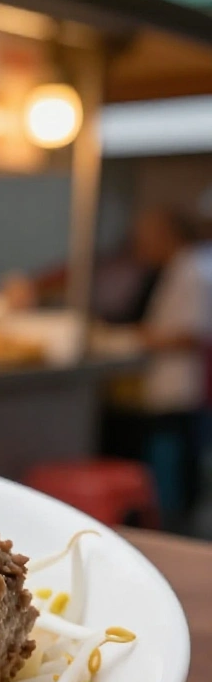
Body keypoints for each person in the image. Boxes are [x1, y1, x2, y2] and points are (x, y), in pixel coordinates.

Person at [101, 207, 209, 523]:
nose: (142, 244)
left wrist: (136, 338)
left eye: (147, 236)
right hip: (169, 384)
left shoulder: (192, 271)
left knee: (172, 463)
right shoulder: (178, 267)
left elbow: (192, 334)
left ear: (167, 234)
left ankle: (172, 524)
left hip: (180, 385)